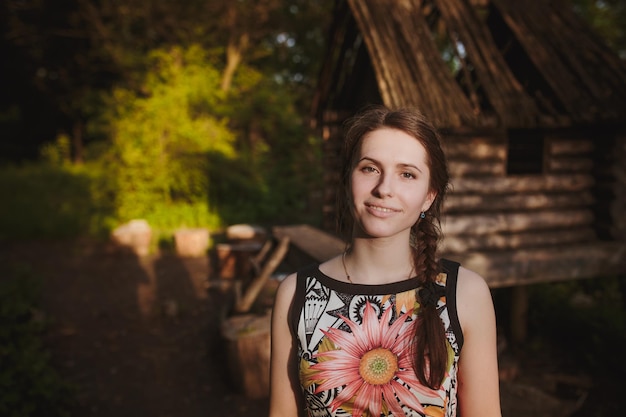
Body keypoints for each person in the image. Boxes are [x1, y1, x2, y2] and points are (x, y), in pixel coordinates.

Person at [269, 106, 501, 417]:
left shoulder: (465, 294)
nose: (384, 189)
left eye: (407, 174)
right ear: (347, 177)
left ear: (429, 196)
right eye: (369, 168)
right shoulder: (296, 294)